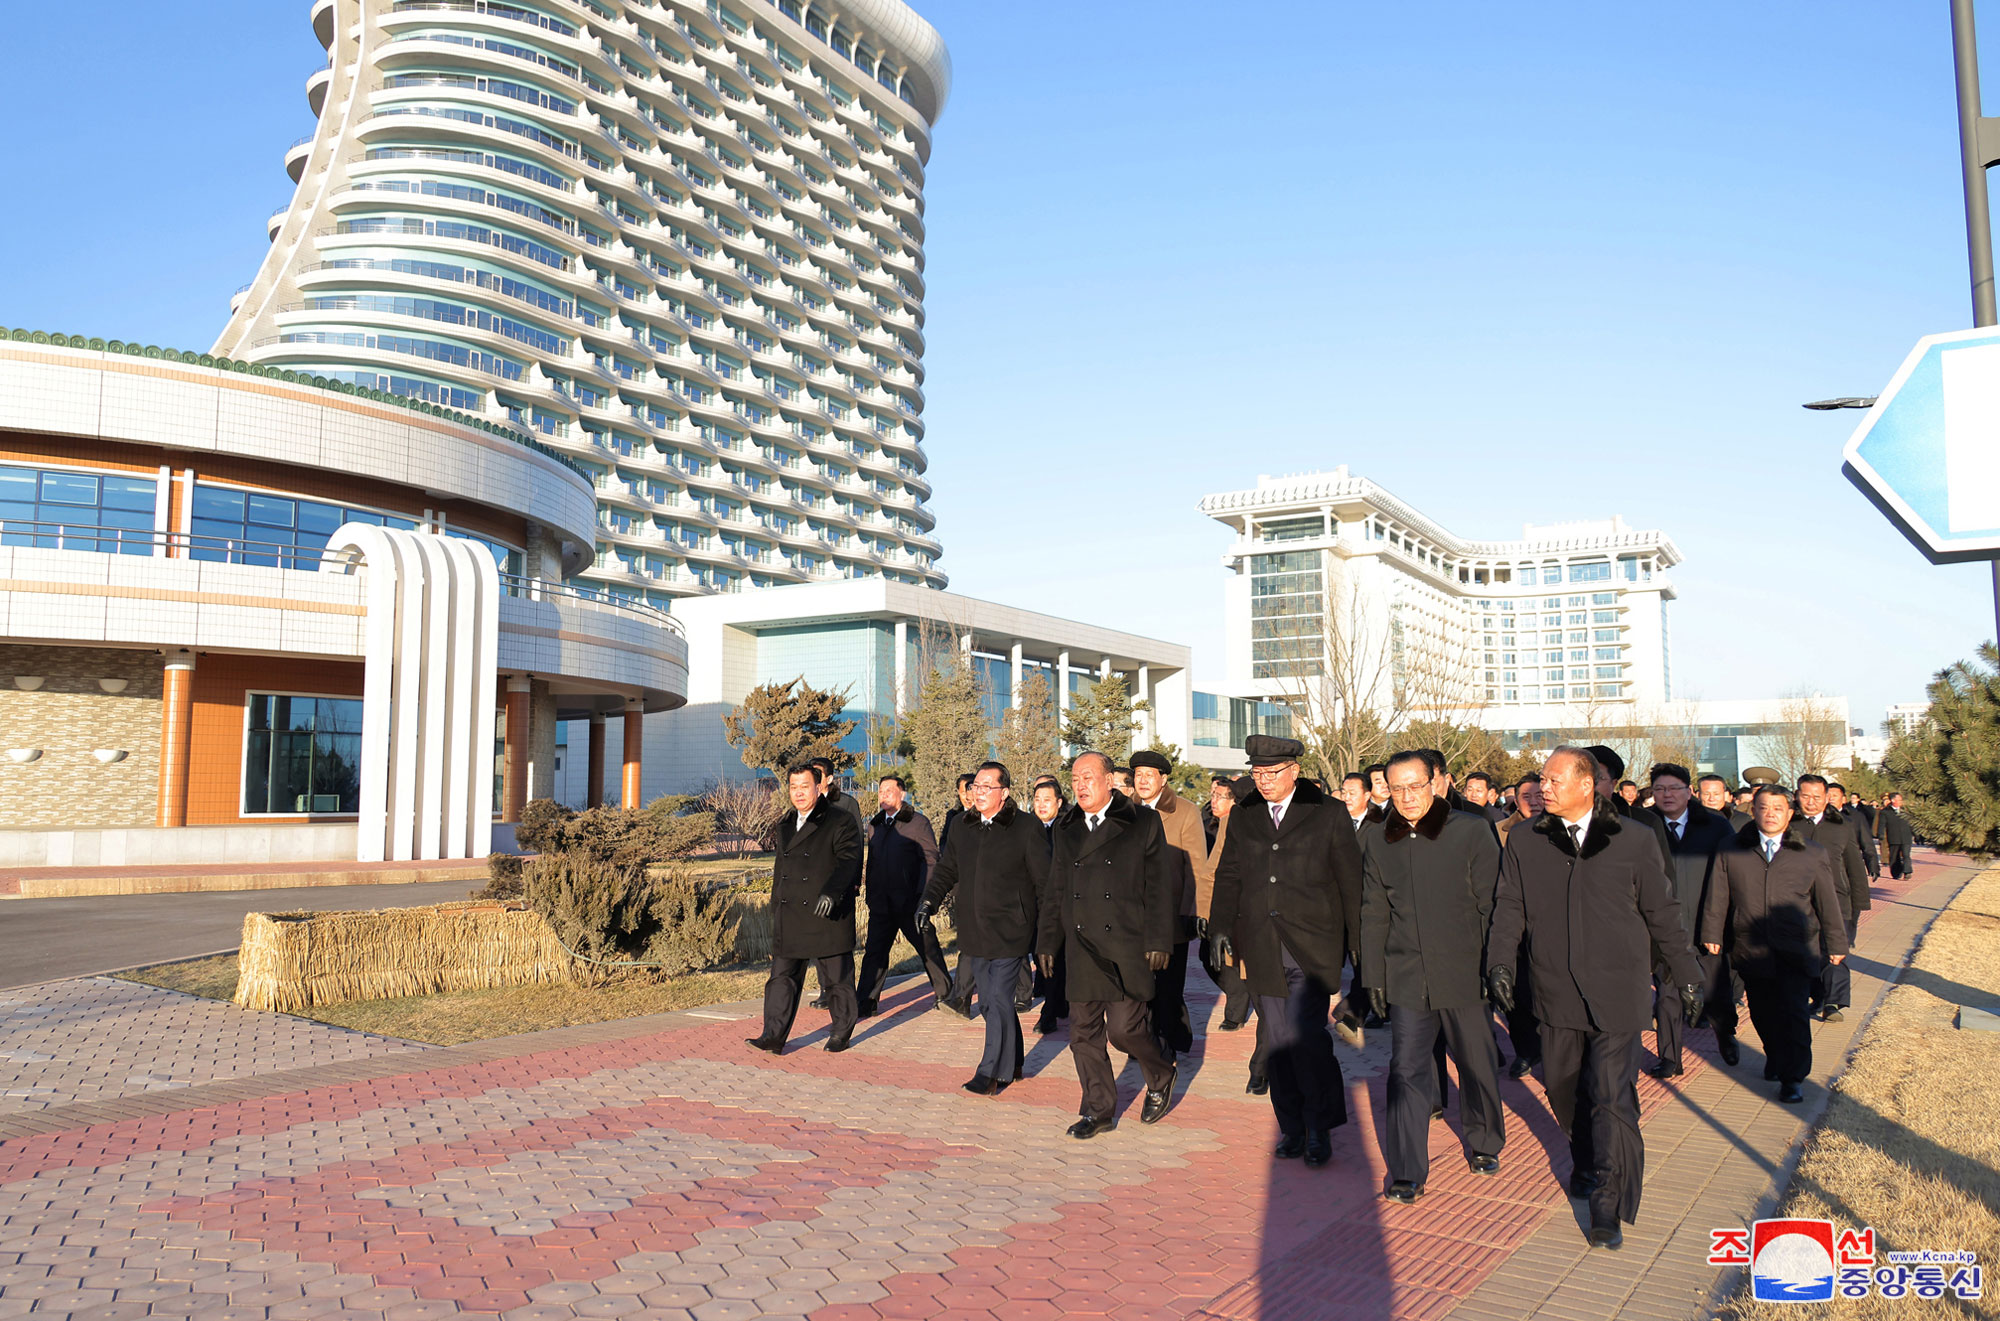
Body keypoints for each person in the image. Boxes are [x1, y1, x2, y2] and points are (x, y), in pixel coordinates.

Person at [1486, 746, 1705, 1250]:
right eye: (1542, 778)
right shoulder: (1524, 839)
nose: (1545, 787)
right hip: (1554, 989)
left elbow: (1662, 912)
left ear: (1587, 784)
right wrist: (1500, 962)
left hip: (1617, 991)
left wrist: (1687, 973)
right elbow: (1509, 905)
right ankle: (1586, 1160)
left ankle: (1609, 1199)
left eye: (1555, 779)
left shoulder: (1633, 839)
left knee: (1610, 1096)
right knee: (1565, 1091)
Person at [1210, 735, 1364, 1169]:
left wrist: (1359, 948)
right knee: (1277, 1043)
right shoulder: (1244, 816)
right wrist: (1221, 927)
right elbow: (1230, 874)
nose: (1264, 782)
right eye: (1256, 774)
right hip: (1260, 944)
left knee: (1307, 1041)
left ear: (1294, 770)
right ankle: (1292, 1127)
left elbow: (1351, 884)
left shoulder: (1328, 814)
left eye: (1272, 773)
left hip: (1311, 947)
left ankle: (1320, 1128)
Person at [1360, 751, 1506, 1203]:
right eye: (1395, 788)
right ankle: (1406, 1170)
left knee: (1476, 1062)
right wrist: (1373, 976)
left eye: (1414, 786)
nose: (1405, 797)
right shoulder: (1379, 839)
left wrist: (1494, 966)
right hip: (1407, 974)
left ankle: (1484, 1141)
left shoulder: (1470, 831)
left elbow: (1492, 905)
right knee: (1405, 1071)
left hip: (1465, 971)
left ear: (1436, 783)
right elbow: (1373, 910)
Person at [1037, 751, 1179, 1137]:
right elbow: (1057, 889)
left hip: (1127, 946)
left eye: (1088, 777)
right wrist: (1047, 941)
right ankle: (1097, 1110)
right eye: (1075, 779)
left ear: (1110, 780)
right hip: (1082, 947)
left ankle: (1161, 1071)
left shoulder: (1142, 821)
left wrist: (1159, 940)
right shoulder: (1066, 828)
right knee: (1082, 1035)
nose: (1080, 785)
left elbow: (1159, 887)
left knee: (1124, 1031)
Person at [1700, 786, 1849, 1103]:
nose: (1770, 814)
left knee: (1794, 1014)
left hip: (1796, 948)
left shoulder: (1811, 853)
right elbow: (1718, 896)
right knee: (1763, 1013)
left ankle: (1793, 1078)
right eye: (1764, 808)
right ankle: (1775, 1056)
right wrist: (1712, 934)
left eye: (1778, 808)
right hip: (1750, 949)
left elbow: (1827, 902)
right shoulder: (1732, 849)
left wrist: (1836, 942)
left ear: (1789, 813)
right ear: (1753, 811)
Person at [920, 761, 1047, 1096]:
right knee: (991, 1003)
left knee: (997, 997)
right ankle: (1016, 1060)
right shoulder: (963, 826)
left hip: (1012, 928)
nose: (979, 792)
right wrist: (928, 902)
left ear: (1004, 792)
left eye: (987, 787)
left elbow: (1045, 882)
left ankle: (992, 1072)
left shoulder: (1026, 827)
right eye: (975, 786)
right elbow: (947, 869)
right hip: (975, 929)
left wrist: (1047, 931)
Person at [747, 763, 863, 1055]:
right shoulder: (786, 822)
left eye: (804, 786)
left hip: (826, 911)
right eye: (793, 787)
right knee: (781, 979)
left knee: (837, 979)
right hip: (791, 914)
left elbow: (850, 860)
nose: (798, 793)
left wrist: (833, 893)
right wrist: (777, 901)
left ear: (819, 787)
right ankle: (772, 1036)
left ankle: (841, 1032)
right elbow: (782, 868)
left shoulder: (840, 820)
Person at [1645, 763, 1739, 1076]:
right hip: (1663, 928)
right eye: (1659, 789)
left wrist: (1723, 924)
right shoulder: (1644, 827)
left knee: (1715, 990)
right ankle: (1670, 1058)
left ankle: (1725, 1033)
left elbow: (1730, 877)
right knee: (1667, 995)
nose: (1666, 794)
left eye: (1674, 788)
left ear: (1689, 792)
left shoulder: (1715, 826)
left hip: (1706, 924)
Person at [1129, 750, 1208, 1058]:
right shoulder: (1124, 811)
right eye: (1138, 775)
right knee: (1138, 987)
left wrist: (1192, 911)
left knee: (1168, 989)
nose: (1143, 780)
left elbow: (1196, 866)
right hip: (1132, 917)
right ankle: (1143, 1041)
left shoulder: (1185, 812)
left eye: (1150, 775)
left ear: (1163, 779)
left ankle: (1168, 1043)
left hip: (1170, 916)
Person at [855, 774, 952, 1017]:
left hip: (911, 903)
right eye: (880, 791)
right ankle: (865, 1001)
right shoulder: (875, 825)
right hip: (881, 904)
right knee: (874, 954)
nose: (883, 795)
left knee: (928, 949)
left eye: (889, 790)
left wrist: (925, 897)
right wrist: (870, 894)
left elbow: (930, 859)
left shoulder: (917, 822)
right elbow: (873, 862)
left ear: (902, 794)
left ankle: (946, 995)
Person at [1198, 777, 1264, 1087]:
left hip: (1259, 918)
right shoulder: (1223, 823)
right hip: (1229, 911)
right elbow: (1215, 872)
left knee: (1269, 1000)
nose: (1215, 801)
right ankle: (1239, 1002)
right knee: (1215, 960)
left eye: (1222, 796)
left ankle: (1261, 1063)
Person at [1791, 774, 1870, 1023]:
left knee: (1835, 951)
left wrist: (1859, 901)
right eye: (1806, 796)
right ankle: (1818, 996)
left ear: (1827, 798)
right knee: (1808, 952)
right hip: (1799, 901)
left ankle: (1833, 1002)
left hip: (1837, 899)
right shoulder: (1789, 825)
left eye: (1817, 797)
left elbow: (1854, 865)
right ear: (1796, 796)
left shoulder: (1841, 826)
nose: (1811, 802)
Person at [1493, 773, 1543, 1078]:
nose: (1534, 802)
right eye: (1527, 797)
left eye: (1539, 796)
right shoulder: (1499, 831)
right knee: (1516, 995)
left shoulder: (1559, 831)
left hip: (1548, 924)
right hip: (1512, 923)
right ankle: (1525, 1051)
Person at [935, 772, 983, 1019]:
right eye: (965, 790)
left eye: (973, 789)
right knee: (970, 944)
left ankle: (964, 998)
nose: (969, 795)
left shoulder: (994, 820)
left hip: (989, 894)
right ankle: (961, 999)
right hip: (963, 888)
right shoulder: (955, 818)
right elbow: (946, 851)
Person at [1029, 778, 1071, 1033]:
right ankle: (1059, 1003)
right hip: (1034, 907)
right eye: (1037, 800)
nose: (1041, 805)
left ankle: (1049, 1013)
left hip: (1061, 907)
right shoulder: (1027, 829)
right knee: (1040, 956)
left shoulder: (1068, 829)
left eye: (1047, 800)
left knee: (1057, 960)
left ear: (1059, 802)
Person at [1827, 783, 1881, 878]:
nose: (1831, 798)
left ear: (1843, 799)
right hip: (1826, 865)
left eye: (1835, 796)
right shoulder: (1819, 817)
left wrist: (1873, 866)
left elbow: (1867, 843)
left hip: (1850, 863)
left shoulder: (1855, 817)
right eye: (1828, 795)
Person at [1878, 792, 1915, 879]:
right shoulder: (1885, 812)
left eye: (1901, 800)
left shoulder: (1906, 810)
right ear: (1893, 800)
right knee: (1894, 856)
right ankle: (1896, 872)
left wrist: (1916, 834)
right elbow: (1882, 824)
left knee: (1906, 855)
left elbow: (1912, 823)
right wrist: (1880, 834)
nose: (1901, 802)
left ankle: (1907, 872)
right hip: (1894, 837)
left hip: (1906, 836)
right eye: (1899, 800)